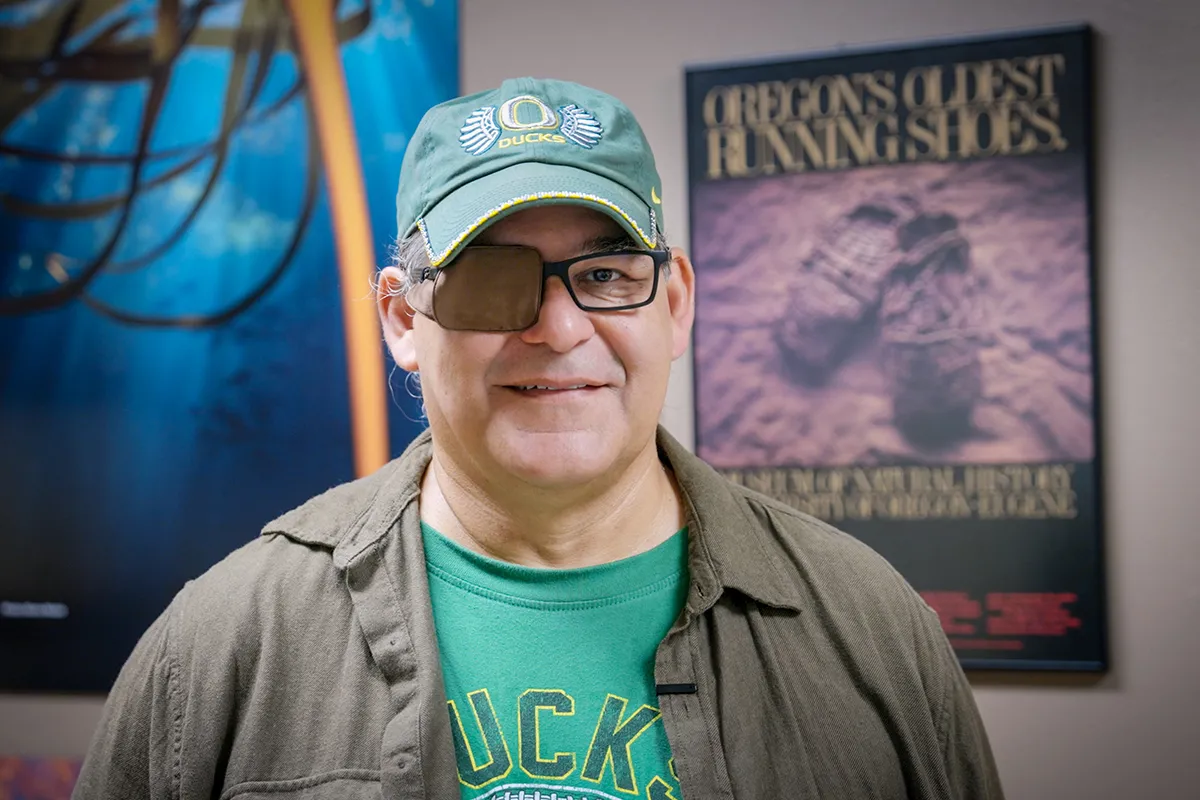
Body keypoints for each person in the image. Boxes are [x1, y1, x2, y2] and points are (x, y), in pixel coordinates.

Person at [74, 77, 1004, 800]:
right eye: (491, 277)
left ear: (675, 303)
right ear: (402, 318)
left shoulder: (871, 630)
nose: (558, 330)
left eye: (605, 275)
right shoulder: (225, 646)